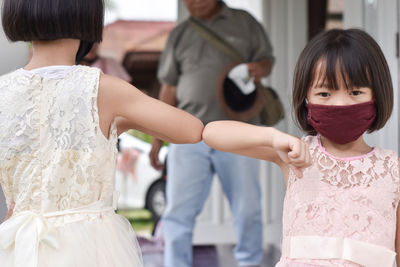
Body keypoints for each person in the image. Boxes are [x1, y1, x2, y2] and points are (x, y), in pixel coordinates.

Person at [0, 0, 203, 266]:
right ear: (86, 14)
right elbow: (191, 130)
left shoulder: (3, 91)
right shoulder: (101, 89)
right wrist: (126, 121)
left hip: (17, 247)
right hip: (88, 246)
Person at [202, 28, 399, 267]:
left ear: (377, 94)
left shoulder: (393, 169)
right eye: (324, 93)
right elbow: (212, 133)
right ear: (306, 100)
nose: (340, 104)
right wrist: (273, 138)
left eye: (355, 92)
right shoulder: (294, 155)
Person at [149, 0, 274, 266]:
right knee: (176, 212)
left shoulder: (245, 22)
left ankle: (250, 263)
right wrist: (157, 140)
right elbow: (168, 89)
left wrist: (257, 69)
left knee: (247, 209)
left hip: (239, 132)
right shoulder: (180, 33)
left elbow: (267, 61)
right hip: (187, 134)